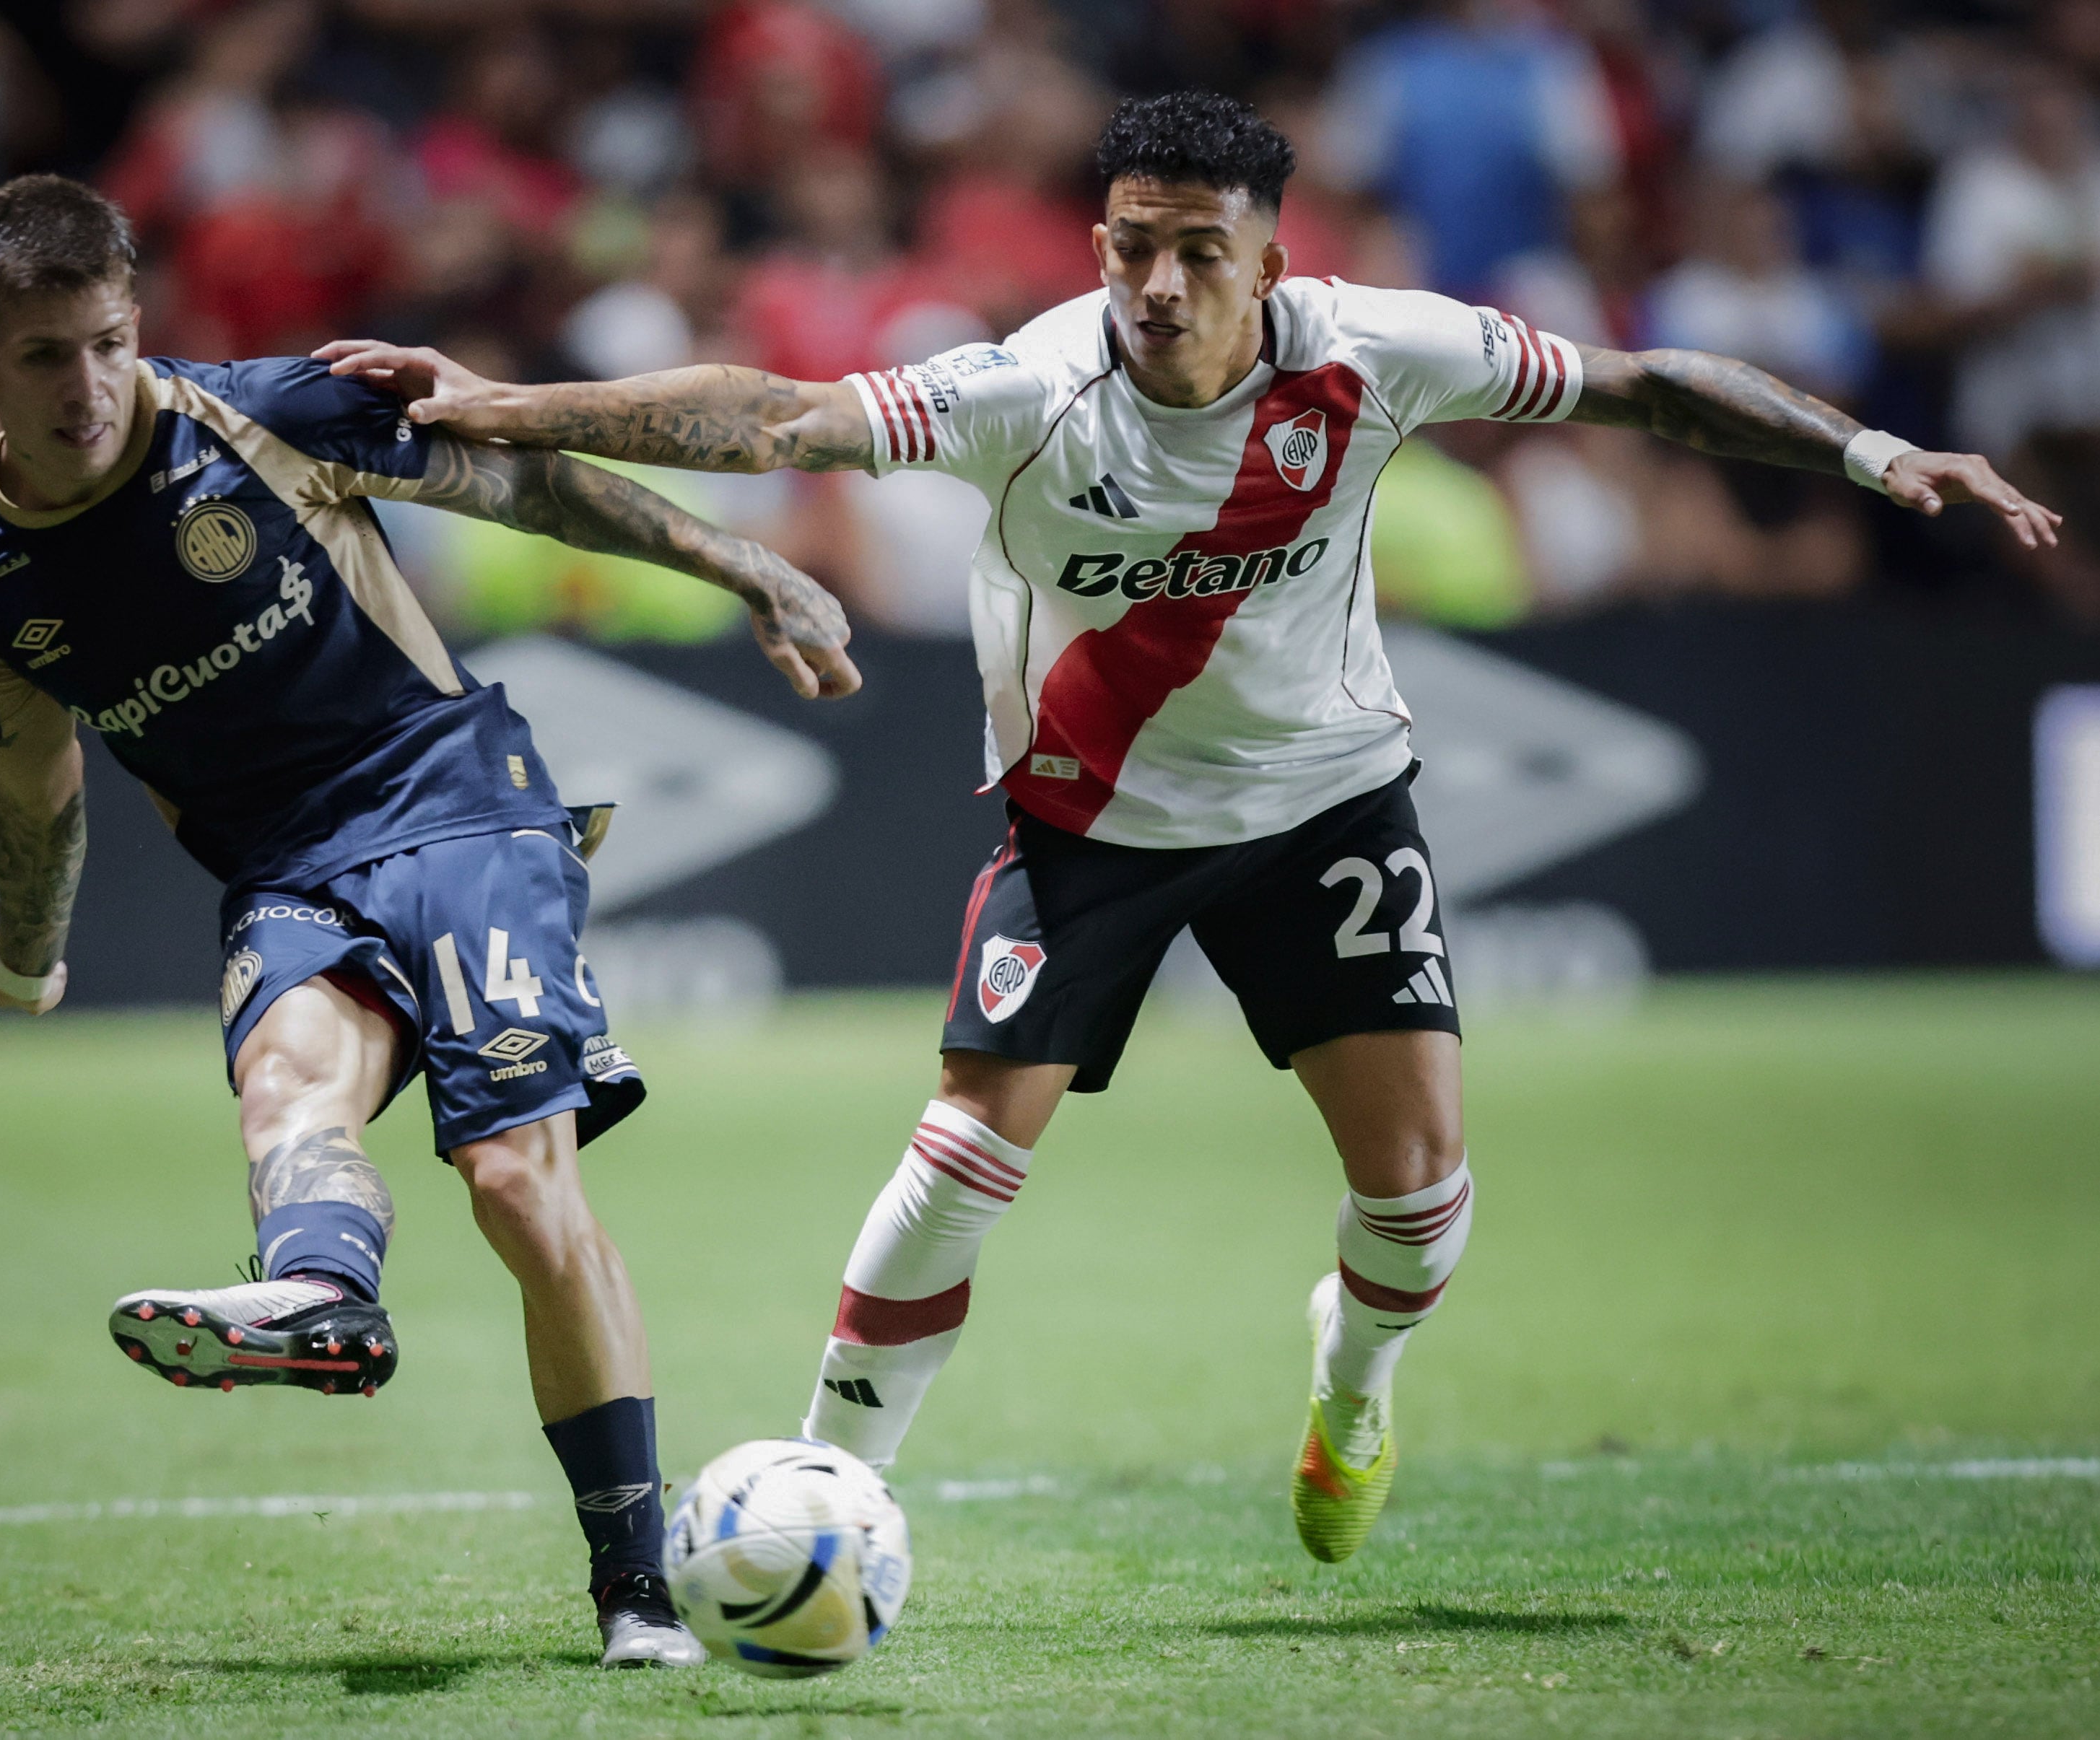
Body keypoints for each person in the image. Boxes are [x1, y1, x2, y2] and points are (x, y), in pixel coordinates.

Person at [315, 91, 2060, 1566]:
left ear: (1268, 260)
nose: (1157, 281)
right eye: (1130, 244)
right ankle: (834, 1479)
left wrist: (1875, 456)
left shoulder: (1385, 354)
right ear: (1099, 248)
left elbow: (1643, 388)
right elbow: (774, 415)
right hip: (1088, 822)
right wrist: (503, 400)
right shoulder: (1025, 388)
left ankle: (1353, 1386)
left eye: (1197, 249)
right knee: (963, 1158)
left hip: (1322, 806)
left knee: (1421, 1203)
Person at [0, 175, 859, 1664]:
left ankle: (635, 1594)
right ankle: (322, 1302)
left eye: (105, 342)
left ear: (136, 317)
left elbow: (527, 483)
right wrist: (28, 948)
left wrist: (744, 564)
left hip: (454, 800)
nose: (85, 386)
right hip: (282, 872)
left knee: (510, 1182)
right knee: (287, 1091)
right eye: (43, 357)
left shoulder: (269, 414)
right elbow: (31, 764)